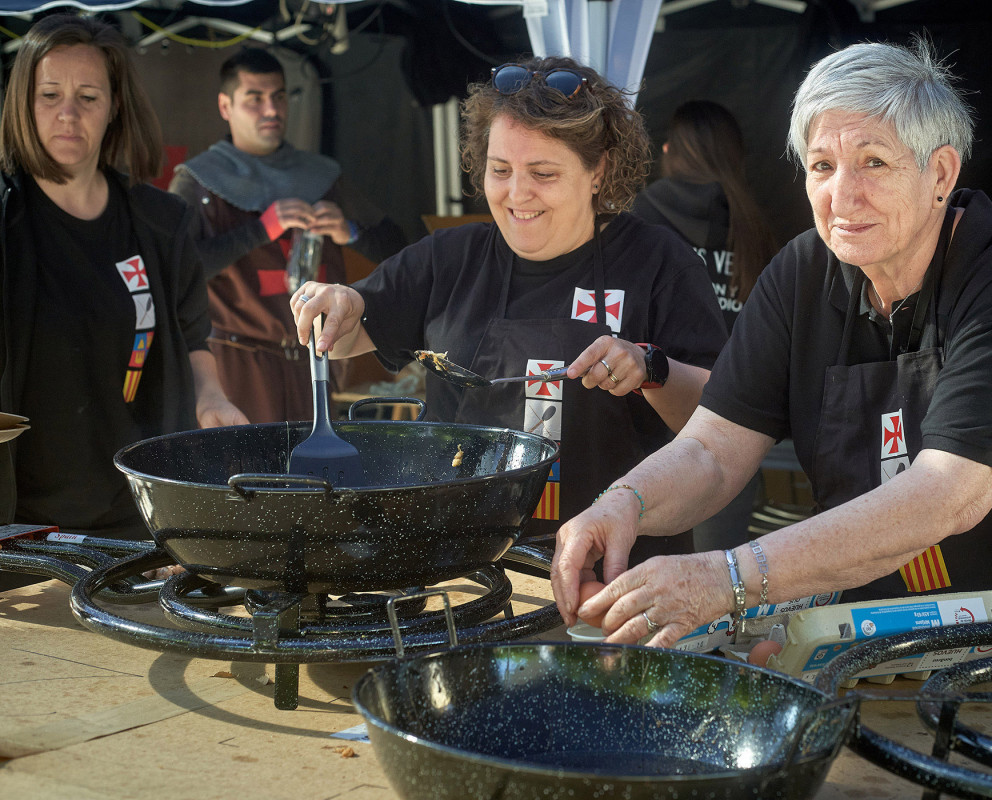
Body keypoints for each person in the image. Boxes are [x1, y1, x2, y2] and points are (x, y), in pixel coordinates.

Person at [551, 39, 992, 646]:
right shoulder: (800, 275)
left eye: (874, 163)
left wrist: (731, 580)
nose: (841, 195)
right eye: (822, 166)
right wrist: (621, 504)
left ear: (940, 172)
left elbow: (946, 494)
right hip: (906, 635)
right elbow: (715, 449)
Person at [291, 56, 727, 559]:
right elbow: (343, 335)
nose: (517, 194)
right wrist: (339, 302)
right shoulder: (450, 258)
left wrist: (651, 368)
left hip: (619, 569)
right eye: (501, 170)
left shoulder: (658, 263)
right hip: (467, 567)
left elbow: (721, 417)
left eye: (543, 173)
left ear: (597, 171)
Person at [0, 13, 246, 589]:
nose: (68, 112)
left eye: (88, 96)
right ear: (22, 104)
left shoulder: (160, 224)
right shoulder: (6, 221)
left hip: (136, 527)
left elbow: (191, 340)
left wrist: (212, 400)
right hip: (23, 536)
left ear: (114, 107)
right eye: (50, 95)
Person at [168, 48, 407, 424]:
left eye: (279, 96)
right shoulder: (197, 181)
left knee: (315, 480)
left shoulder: (322, 176)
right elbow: (175, 270)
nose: (271, 110)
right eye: (255, 99)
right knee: (247, 477)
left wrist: (351, 232)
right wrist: (259, 230)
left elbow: (404, 250)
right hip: (236, 367)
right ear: (225, 106)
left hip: (315, 363)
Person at [632, 100, 778, 552]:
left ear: (671, 151)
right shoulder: (754, 221)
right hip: (737, 413)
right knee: (720, 567)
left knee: (637, 560)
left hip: (651, 406)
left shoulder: (639, 217)